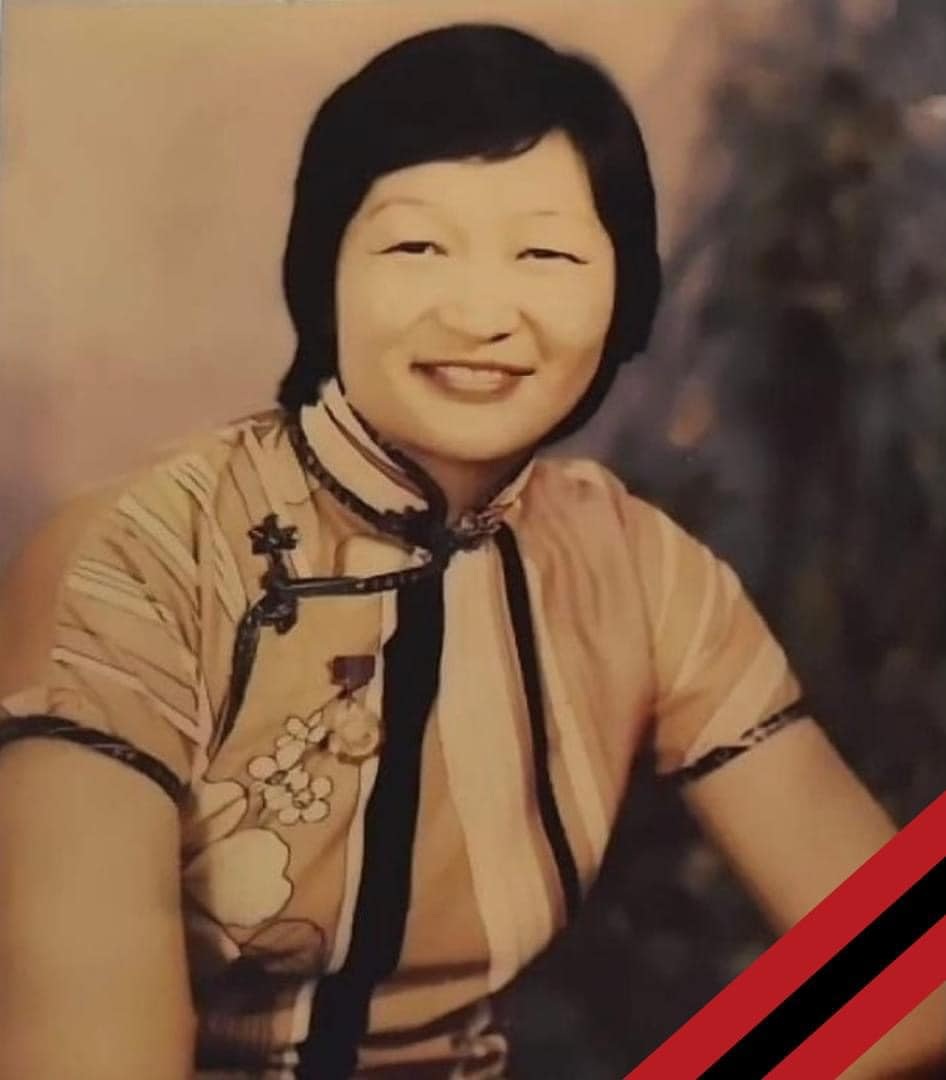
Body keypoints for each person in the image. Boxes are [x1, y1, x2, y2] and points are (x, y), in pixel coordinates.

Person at [0, 22, 941, 1080]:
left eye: (545, 255)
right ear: (323, 274)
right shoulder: (136, 557)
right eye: (416, 248)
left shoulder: (639, 570)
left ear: (623, 292)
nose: (482, 313)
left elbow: (907, 970)